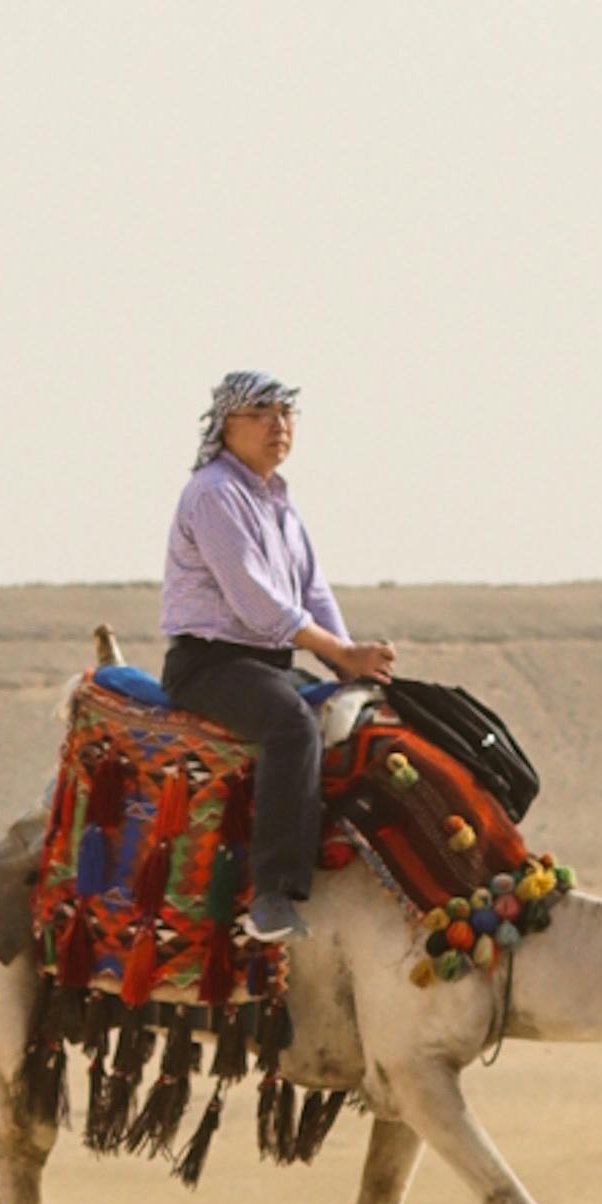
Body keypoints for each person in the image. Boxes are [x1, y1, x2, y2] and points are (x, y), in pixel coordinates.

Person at [159, 371, 395, 950]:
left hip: (269, 660)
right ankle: (272, 894)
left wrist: (352, 669)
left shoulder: (279, 503)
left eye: (286, 414)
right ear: (226, 427)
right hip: (211, 664)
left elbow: (313, 592)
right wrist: (340, 652)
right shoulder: (214, 494)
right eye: (261, 413)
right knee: (290, 724)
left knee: (361, 717)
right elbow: (258, 603)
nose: (278, 425)